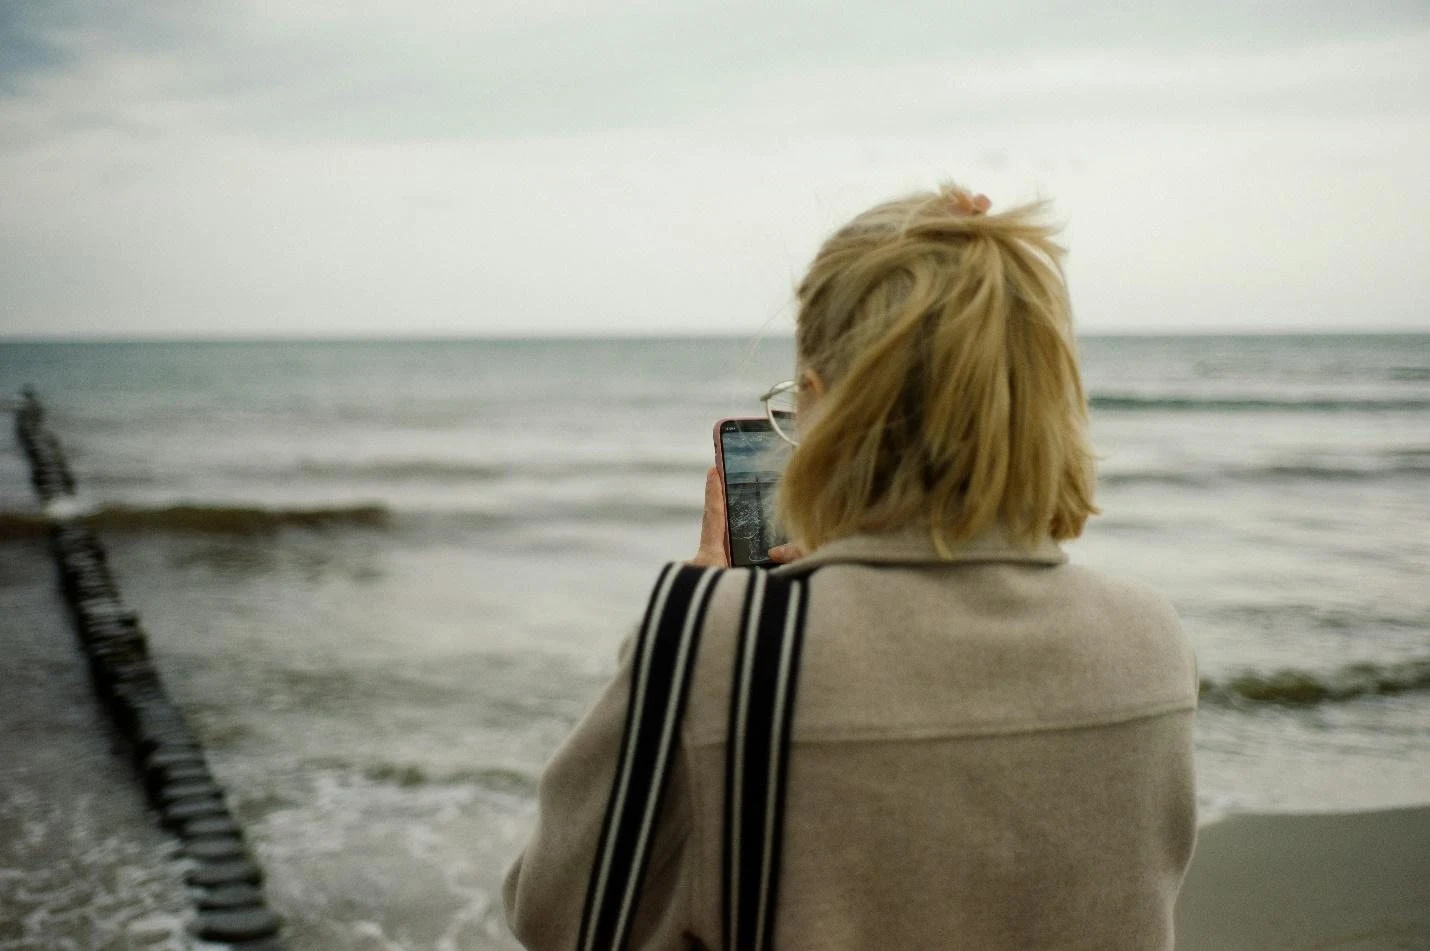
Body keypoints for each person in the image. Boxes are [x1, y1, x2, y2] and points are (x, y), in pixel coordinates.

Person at [504, 184, 1199, 949]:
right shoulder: (1149, 640)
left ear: (821, 402)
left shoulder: (717, 646)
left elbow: (557, 916)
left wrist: (698, 621)